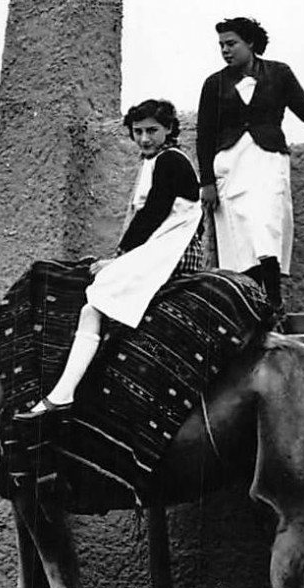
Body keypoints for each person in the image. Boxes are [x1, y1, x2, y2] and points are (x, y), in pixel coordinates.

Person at [16, 99, 204, 420]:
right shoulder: (155, 160)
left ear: (169, 129)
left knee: (94, 304)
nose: (144, 138)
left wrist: (119, 258)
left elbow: (154, 213)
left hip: (175, 250)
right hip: (163, 245)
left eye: (152, 131)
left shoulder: (171, 160)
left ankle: (63, 393)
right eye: (138, 132)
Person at [195, 16, 304, 309]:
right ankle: (253, 303)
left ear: (250, 43)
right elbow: (204, 136)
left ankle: (274, 302)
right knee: (240, 236)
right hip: (230, 165)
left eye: (232, 43)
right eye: (221, 46)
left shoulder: (279, 73)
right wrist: (207, 182)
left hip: (267, 160)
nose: (225, 50)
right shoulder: (214, 84)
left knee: (265, 225)